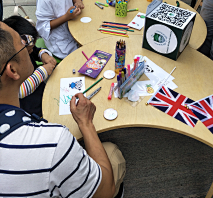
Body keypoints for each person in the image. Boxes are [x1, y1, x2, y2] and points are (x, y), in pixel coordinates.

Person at [0, 22, 126, 197]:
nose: (29, 47)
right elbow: (104, 191)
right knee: (112, 152)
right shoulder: (53, 141)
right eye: (22, 44)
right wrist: (86, 122)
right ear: (12, 70)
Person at [3, 15, 57, 116]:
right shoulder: (7, 69)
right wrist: (43, 71)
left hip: (44, 93)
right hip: (34, 110)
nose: (31, 52)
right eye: (28, 51)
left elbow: (36, 50)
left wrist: (43, 55)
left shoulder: (26, 47)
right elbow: (20, 91)